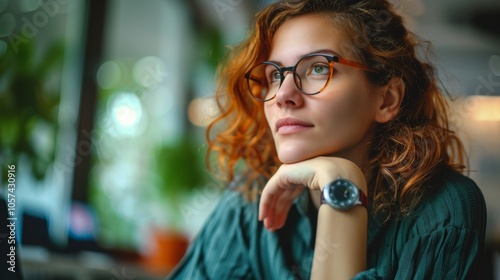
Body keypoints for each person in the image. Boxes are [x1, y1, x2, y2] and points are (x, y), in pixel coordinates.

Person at [168, 0, 487, 279]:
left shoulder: (444, 210)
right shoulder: (249, 197)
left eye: (319, 68)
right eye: (275, 75)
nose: (283, 95)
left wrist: (341, 187)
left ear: (387, 99)